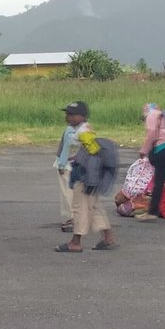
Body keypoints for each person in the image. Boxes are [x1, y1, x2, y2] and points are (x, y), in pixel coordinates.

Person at [57, 101, 118, 252]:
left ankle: (75, 242)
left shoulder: (83, 132)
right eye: (67, 114)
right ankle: (108, 237)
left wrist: (81, 162)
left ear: (82, 116)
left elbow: (93, 151)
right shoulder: (80, 129)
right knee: (94, 206)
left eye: (72, 114)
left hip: (83, 174)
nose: (68, 117)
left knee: (80, 207)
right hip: (89, 175)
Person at [54, 118, 79, 233]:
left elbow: (66, 148)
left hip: (67, 165)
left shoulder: (70, 130)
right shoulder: (85, 128)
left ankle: (74, 218)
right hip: (78, 164)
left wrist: (61, 164)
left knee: (68, 192)